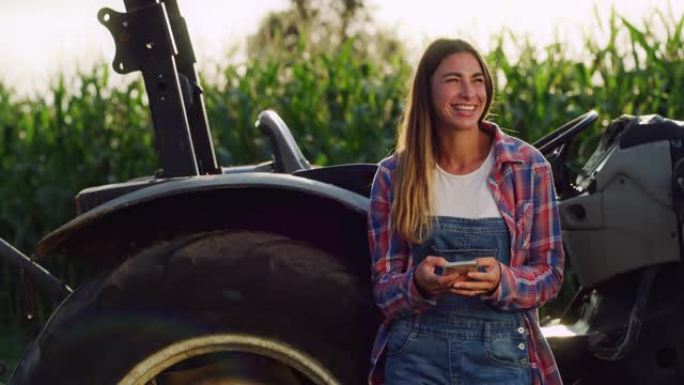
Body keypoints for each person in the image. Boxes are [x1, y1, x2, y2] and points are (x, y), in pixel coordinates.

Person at [367, 38, 564, 385]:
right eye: (453, 80)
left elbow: (550, 275)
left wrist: (504, 279)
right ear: (427, 91)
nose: (468, 93)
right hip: (416, 354)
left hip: (500, 356)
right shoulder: (393, 176)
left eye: (477, 80)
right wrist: (418, 283)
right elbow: (385, 291)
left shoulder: (528, 168)